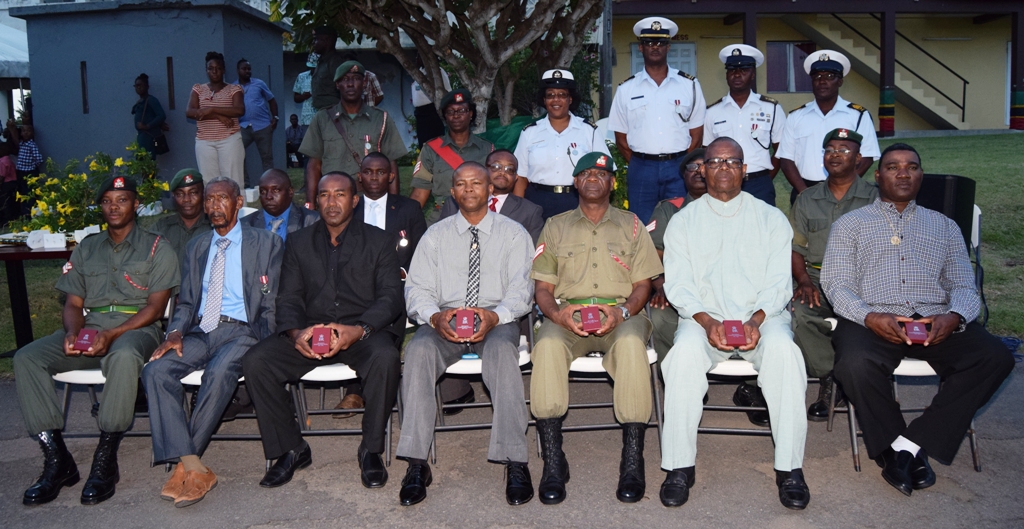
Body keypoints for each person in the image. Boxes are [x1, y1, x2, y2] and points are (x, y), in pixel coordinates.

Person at [821, 143, 1014, 497]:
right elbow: (836, 284)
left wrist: (954, 317)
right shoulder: (850, 224)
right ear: (878, 176)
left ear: (921, 175)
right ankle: (904, 449)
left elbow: (963, 284)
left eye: (911, 167)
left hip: (935, 317)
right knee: (854, 363)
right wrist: (869, 316)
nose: (903, 173)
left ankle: (907, 446)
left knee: (995, 357)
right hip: (874, 318)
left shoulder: (945, 226)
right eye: (893, 167)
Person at [659, 137, 810, 510]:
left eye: (732, 161)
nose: (723, 167)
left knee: (785, 353)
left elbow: (779, 283)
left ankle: (789, 468)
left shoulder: (770, 219)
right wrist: (707, 321)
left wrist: (757, 320)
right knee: (682, 356)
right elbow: (678, 285)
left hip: (764, 317)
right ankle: (679, 466)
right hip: (702, 318)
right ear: (703, 170)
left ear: (745, 169)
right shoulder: (683, 222)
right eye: (715, 161)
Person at [14, 175, 179, 506]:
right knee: (27, 358)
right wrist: (72, 333)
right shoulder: (87, 247)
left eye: (122, 200)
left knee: (123, 357)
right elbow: (73, 304)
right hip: (91, 327)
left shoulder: (157, 247)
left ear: (136, 204)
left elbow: (155, 308)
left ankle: (105, 459)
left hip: (137, 330)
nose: (113, 207)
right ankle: (57, 459)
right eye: (107, 201)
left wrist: (113, 334)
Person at [242, 173, 404, 490]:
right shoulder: (299, 242)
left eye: (339, 194)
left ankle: (370, 449)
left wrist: (358, 330)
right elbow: (288, 297)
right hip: (311, 332)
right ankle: (292, 448)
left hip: (361, 332)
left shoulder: (379, 241)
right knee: (256, 361)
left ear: (354, 201)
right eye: (325, 195)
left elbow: (390, 297)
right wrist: (295, 335)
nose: (332, 202)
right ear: (316, 202)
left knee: (385, 358)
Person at [397, 162, 535, 506]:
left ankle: (515, 460)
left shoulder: (514, 233)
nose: (469, 189)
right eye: (461, 184)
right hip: (445, 319)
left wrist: (495, 316)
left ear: (490, 190)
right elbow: (417, 289)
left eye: (476, 183)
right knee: (417, 352)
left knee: (503, 353)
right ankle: (416, 462)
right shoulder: (435, 236)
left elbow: (521, 291)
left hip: (496, 319)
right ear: (452, 192)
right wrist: (434, 316)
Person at [530, 152, 663, 505]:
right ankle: (553, 459)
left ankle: (632, 459)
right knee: (546, 346)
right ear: (575, 182)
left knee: (632, 345)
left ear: (613, 183)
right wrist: (557, 315)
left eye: (601, 174)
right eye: (585, 173)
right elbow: (543, 288)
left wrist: (622, 312)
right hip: (568, 315)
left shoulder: (632, 225)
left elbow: (643, 285)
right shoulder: (555, 226)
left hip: (621, 315)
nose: (593, 178)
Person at [142, 176, 283, 507]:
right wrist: (175, 332)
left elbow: (272, 299)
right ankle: (194, 466)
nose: (214, 206)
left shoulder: (266, 243)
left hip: (244, 330)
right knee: (155, 371)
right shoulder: (197, 246)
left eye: (222, 199)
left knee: (218, 374)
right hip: (201, 330)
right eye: (209, 200)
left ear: (238, 203)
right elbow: (187, 302)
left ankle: (185, 466)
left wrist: (269, 341)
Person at [791, 128, 877, 421]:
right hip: (816, 278)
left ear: (859, 158)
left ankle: (860, 377)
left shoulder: (876, 197)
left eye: (843, 150)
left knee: (868, 320)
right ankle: (832, 378)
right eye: (829, 150)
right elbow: (795, 248)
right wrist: (803, 280)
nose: (835, 155)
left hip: (863, 281)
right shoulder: (807, 198)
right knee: (798, 314)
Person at [332, 155, 426, 419]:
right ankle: (358, 388)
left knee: (388, 307)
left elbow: (422, 252)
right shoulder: (348, 207)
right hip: (352, 288)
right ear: (359, 176)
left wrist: (403, 272)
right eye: (368, 172)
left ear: (391, 176)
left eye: (381, 172)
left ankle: (371, 388)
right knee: (352, 309)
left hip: (398, 284)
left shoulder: (408, 208)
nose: (374, 177)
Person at [608, 16, 706, 224]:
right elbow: (621, 138)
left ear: (668, 47)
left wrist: (681, 164)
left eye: (660, 42)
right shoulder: (626, 89)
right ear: (641, 48)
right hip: (642, 168)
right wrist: (641, 162)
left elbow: (697, 135)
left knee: (681, 223)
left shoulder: (689, 85)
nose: (655, 47)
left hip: (678, 167)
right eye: (649, 43)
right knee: (642, 225)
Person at [777, 50, 880, 204]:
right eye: (817, 77)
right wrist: (804, 192)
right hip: (804, 189)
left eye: (830, 76)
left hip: (845, 191)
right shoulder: (796, 116)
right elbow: (786, 160)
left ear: (840, 81)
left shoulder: (858, 115)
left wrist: (845, 186)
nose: (822, 81)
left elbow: (867, 156)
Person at [300, 60, 406, 201]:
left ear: (364, 83)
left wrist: (394, 204)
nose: (350, 84)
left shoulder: (381, 119)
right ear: (337, 85)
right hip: (333, 199)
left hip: (370, 199)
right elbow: (314, 165)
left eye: (356, 79)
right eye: (345, 79)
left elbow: (391, 164)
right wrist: (310, 203)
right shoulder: (322, 119)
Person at [513, 68, 609, 219]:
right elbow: (521, 177)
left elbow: (605, 172)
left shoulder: (589, 131)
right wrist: (518, 213)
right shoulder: (530, 132)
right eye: (550, 95)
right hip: (537, 202)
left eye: (562, 95)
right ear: (544, 100)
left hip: (577, 201)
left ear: (570, 99)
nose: (556, 100)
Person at [703, 45, 786, 206]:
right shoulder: (712, 112)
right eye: (732, 70)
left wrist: (765, 178)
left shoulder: (771, 108)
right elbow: (707, 152)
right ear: (726, 75)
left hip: (759, 183)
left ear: (753, 74)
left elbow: (781, 150)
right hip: (724, 182)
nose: (737, 74)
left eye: (744, 70)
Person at [646, 149, 705, 368]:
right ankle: (676, 374)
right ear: (684, 176)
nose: (698, 171)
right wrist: (663, 285)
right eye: (692, 167)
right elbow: (651, 255)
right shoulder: (670, 210)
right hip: (678, 291)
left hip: (725, 294)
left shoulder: (738, 208)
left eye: (704, 166)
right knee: (658, 315)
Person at [410, 88, 494, 224]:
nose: (456, 116)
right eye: (450, 111)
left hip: (479, 216)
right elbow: (420, 193)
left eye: (462, 110)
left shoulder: (487, 149)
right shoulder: (431, 149)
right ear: (445, 116)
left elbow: (495, 191)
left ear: (471, 114)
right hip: (442, 217)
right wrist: (405, 222)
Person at [440, 149, 544, 244]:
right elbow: (441, 241)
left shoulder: (530, 211)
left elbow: (532, 251)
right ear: (484, 170)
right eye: (496, 167)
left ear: (516, 177)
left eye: (509, 169)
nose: (502, 172)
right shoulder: (455, 203)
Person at [187, 51, 245, 190]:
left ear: (223, 70)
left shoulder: (234, 89)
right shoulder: (198, 89)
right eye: (211, 68)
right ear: (206, 70)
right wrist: (218, 116)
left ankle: (238, 205)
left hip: (229, 140)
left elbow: (239, 110)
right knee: (209, 183)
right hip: (204, 142)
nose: (214, 72)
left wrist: (211, 109)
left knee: (233, 181)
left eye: (218, 68)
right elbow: (190, 112)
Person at [242, 168, 320, 241]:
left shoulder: (311, 221)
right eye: (263, 191)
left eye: (275, 190)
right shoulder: (245, 224)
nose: (268, 196)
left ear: (290, 192)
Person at [151, 168, 213, 259]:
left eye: (193, 193)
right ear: (173, 197)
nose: (186, 199)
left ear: (204, 194)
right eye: (180, 194)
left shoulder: (213, 228)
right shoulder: (161, 227)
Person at [236, 59, 279, 186]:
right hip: (243, 127)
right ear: (238, 70)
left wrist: (275, 117)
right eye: (244, 69)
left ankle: (268, 185)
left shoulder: (259, 83)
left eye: (249, 69)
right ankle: (245, 185)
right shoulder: (233, 87)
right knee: (238, 154)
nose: (247, 71)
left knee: (267, 157)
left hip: (262, 126)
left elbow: (272, 100)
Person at [6, 119, 43, 218]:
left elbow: (39, 159)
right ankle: (25, 213)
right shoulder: (22, 144)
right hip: (21, 172)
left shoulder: (32, 145)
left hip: (29, 172)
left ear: (32, 133)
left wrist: (32, 167)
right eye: (23, 131)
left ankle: (30, 213)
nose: (25, 133)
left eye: (28, 131)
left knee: (29, 192)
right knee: (23, 192)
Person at [411, 57, 451, 147]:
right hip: (421, 114)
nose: (417, 58)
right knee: (424, 144)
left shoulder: (438, 72)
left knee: (436, 142)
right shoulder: (419, 72)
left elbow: (447, 91)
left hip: (432, 111)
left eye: (419, 56)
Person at [309, 26, 345, 112]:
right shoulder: (322, 61)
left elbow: (344, 90)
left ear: (328, 40)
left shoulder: (335, 62)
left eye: (316, 39)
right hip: (323, 112)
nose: (313, 43)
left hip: (333, 112)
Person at [132, 73, 168, 158]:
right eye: (136, 86)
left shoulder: (151, 100)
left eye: (140, 85)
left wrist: (147, 126)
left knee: (147, 162)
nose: (138, 88)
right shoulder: (140, 101)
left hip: (148, 138)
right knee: (141, 162)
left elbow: (161, 115)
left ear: (147, 86)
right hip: (141, 137)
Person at [293, 54, 317, 126]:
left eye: (315, 67)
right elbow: (296, 98)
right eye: (311, 67)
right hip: (307, 119)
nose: (313, 70)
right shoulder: (302, 77)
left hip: (322, 119)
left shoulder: (325, 77)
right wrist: (303, 96)